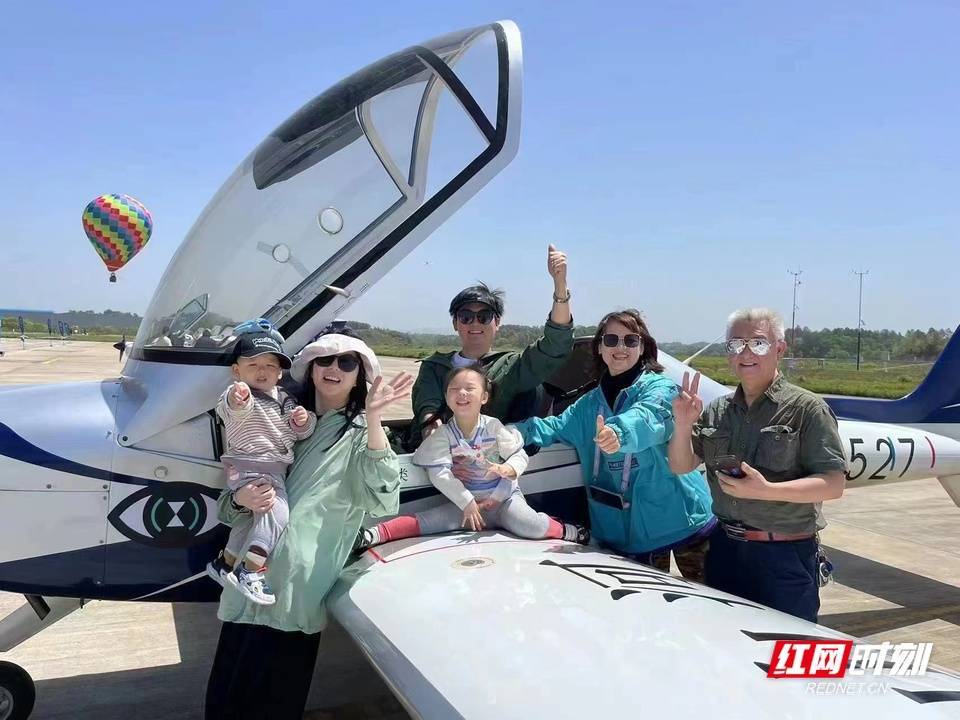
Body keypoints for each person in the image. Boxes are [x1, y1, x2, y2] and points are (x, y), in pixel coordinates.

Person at [205, 329, 413, 720]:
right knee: (225, 704)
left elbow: (384, 498)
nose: (335, 368)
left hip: (295, 592)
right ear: (311, 368)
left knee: (273, 708)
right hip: (246, 589)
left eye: (347, 362)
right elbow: (229, 509)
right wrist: (239, 499)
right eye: (325, 360)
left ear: (359, 375)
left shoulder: (363, 435)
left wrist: (373, 419)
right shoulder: (278, 417)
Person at [668, 307, 846, 622]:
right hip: (724, 550)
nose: (746, 353)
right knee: (725, 641)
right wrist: (682, 424)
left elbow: (833, 484)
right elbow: (681, 466)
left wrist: (766, 490)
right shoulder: (717, 410)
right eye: (736, 344)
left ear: (779, 349)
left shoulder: (807, 409)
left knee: (784, 645)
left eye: (759, 343)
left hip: (783, 556)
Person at [514, 310, 715, 581]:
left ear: (642, 348)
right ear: (599, 347)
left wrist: (617, 433)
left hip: (682, 522)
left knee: (705, 599)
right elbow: (552, 427)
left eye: (630, 340)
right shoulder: (587, 406)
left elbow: (648, 416)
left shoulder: (661, 389)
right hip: (627, 536)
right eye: (611, 340)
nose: (620, 348)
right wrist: (506, 432)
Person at [358, 366, 589, 550]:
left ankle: (570, 530)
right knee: (425, 521)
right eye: (454, 389)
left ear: (484, 397)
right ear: (446, 396)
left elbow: (518, 454)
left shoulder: (494, 427)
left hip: (505, 502)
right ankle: (373, 534)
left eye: (470, 388)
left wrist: (509, 470)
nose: (462, 393)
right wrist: (467, 502)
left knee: (533, 526)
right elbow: (439, 473)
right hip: (467, 506)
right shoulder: (443, 435)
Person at [408, 244, 574, 447]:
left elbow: (555, 345)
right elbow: (428, 407)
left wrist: (560, 287)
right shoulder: (433, 367)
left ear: (497, 322)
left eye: (484, 316)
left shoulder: (512, 367)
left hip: (491, 457)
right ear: (455, 323)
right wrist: (436, 440)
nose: (475, 323)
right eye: (466, 317)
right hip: (437, 452)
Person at [205, 330, 316, 605]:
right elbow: (233, 408)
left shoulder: (285, 399)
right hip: (252, 467)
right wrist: (239, 397)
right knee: (277, 514)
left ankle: (224, 564)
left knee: (249, 521)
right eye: (253, 364)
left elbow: (299, 432)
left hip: (271, 469)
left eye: (270, 365)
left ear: (279, 372)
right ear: (237, 371)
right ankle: (251, 571)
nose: (261, 371)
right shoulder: (238, 394)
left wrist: (303, 421)